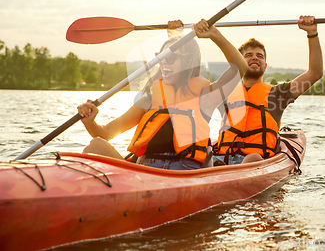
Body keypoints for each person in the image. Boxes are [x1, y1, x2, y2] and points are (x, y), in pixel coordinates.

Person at [77, 19, 248, 170]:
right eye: (161, 57)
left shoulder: (205, 98)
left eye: (171, 58)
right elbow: (106, 133)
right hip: (144, 169)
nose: (165, 62)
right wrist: (90, 122)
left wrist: (215, 35)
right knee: (97, 145)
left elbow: (240, 68)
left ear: (188, 62)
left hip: (181, 172)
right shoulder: (149, 101)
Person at [213, 15, 322, 165]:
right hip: (220, 159)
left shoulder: (278, 94)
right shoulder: (225, 93)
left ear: (265, 66)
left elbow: (315, 73)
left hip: (254, 161)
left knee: (253, 158)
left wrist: (312, 33)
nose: (254, 58)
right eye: (248, 55)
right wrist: (175, 35)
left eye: (260, 56)